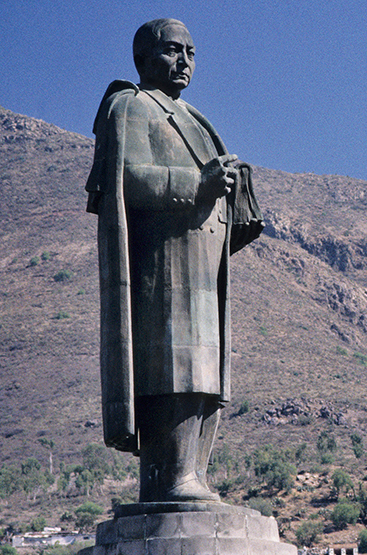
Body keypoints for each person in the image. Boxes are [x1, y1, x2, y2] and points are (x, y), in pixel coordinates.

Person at [86, 19, 261, 502]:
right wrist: (196, 186)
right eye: (170, 50)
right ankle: (171, 478)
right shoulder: (131, 107)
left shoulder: (197, 120)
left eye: (190, 51)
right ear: (143, 60)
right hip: (164, 269)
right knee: (175, 367)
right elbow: (127, 179)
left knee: (206, 373)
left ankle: (193, 474)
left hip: (204, 264)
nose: (183, 61)